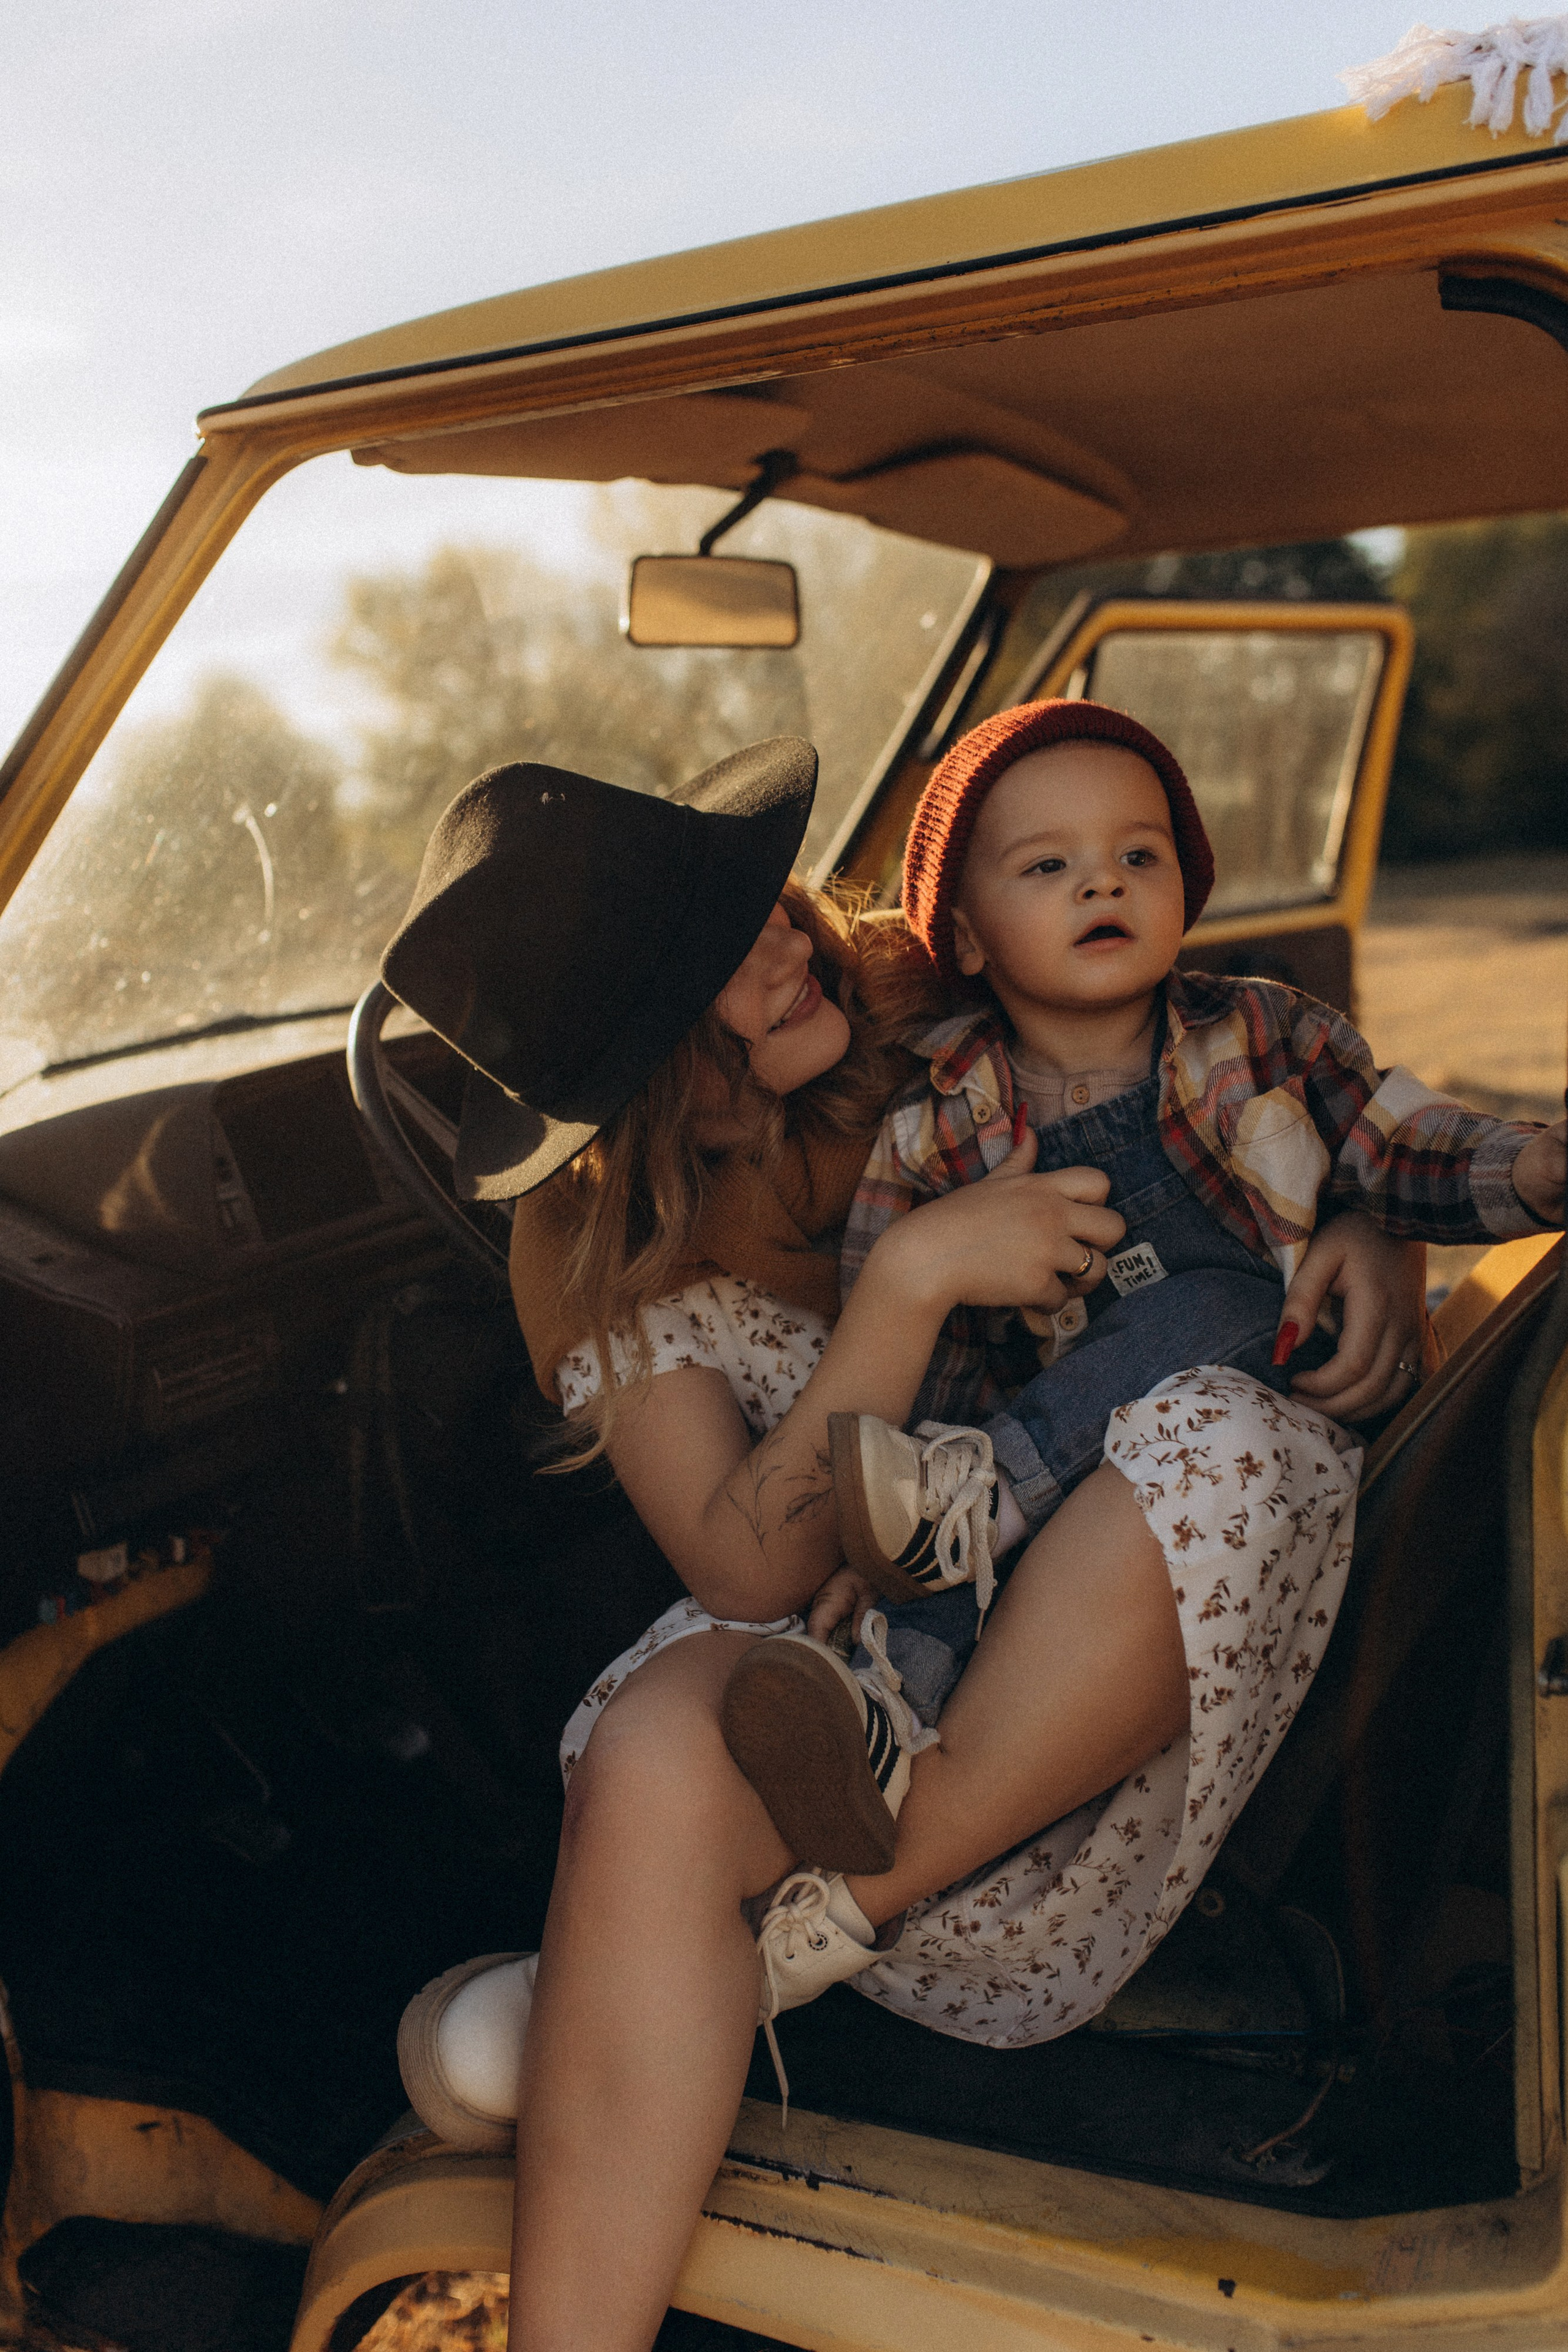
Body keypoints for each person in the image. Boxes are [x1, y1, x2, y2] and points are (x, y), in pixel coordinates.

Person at [380, 736, 1426, 2352]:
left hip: (1118, 1590)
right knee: (665, 1751)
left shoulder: (903, 985)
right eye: (721, 963)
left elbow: (1224, 1068)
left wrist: (1361, 1220)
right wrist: (911, 1279)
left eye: (759, 901)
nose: (785, 943)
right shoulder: (585, 1233)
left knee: (1216, 1442)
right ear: (640, 1067)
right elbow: (744, 1570)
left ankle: (785, 1941)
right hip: (868, 1623)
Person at [718, 697, 1564, 1865]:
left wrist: (1533, 1163)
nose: (1101, 885)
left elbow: (1401, 1143)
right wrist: (876, 1531)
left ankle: (968, 1509)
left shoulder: (1267, 1037)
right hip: (1074, 1499)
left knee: (1229, 1305)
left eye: (1138, 856)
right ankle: (869, 1725)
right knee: (935, 1591)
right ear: (964, 937)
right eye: (1049, 865)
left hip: (1282, 1416)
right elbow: (927, 1345)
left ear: (1185, 888)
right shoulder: (935, 1118)